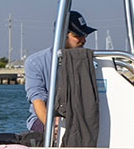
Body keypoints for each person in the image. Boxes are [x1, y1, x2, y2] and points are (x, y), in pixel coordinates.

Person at [23, 10, 94, 141]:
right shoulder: (35, 62)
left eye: (85, 35)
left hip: (82, 119)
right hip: (43, 119)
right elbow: (36, 97)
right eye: (78, 35)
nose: (84, 40)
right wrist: (50, 124)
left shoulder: (92, 61)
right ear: (62, 35)